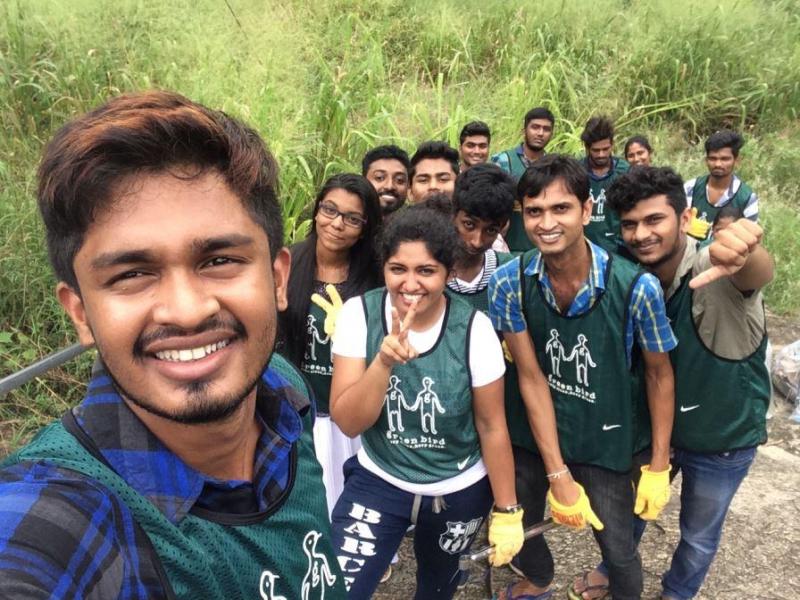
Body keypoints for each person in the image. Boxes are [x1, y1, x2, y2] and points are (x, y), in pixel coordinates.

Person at [0, 91, 346, 599]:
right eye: (133, 273)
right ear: (81, 314)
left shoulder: (282, 390)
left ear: (277, 279)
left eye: (219, 260)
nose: (187, 311)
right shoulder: (68, 515)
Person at [488, 155, 677, 600]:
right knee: (524, 521)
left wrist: (659, 465)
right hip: (534, 434)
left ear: (586, 211)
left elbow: (659, 376)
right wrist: (557, 474)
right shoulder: (509, 281)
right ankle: (540, 577)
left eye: (561, 209)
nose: (546, 223)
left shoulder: (637, 288)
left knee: (618, 548)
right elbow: (530, 377)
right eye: (534, 211)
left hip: (605, 437)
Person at [592, 165, 771, 600]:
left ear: (685, 217)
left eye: (655, 220)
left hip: (721, 436)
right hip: (658, 428)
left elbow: (754, 274)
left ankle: (677, 592)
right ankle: (612, 567)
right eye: (630, 224)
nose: (641, 234)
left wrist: (746, 252)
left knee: (697, 534)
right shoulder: (630, 274)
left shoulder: (716, 263)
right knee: (633, 510)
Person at [329, 206, 523, 599]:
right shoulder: (360, 315)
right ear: (383, 267)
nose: (410, 284)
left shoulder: (474, 329)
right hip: (379, 478)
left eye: (426, 271)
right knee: (337, 589)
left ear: (449, 274)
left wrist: (507, 509)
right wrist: (382, 362)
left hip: (459, 487)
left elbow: (491, 426)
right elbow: (349, 422)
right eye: (398, 268)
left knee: (438, 587)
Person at [279, 173, 382, 516]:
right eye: (330, 210)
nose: (337, 224)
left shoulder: (375, 277)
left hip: (351, 410)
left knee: (353, 497)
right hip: (299, 405)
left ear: (365, 227)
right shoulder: (287, 265)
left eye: (352, 218)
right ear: (317, 211)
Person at [492, 106, 556, 253]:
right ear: (524, 130)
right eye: (535, 127)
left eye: (546, 129)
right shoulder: (502, 161)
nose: (540, 133)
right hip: (507, 250)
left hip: (544, 249)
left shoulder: (553, 166)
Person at [683, 130, 759, 241]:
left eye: (725, 159)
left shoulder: (747, 198)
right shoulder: (690, 188)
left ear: (737, 161)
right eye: (713, 158)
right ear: (706, 160)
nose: (718, 164)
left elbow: (751, 239)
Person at [580, 115, 630, 253]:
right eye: (596, 150)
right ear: (587, 147)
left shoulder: (625, 172)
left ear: (612, 145)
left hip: (617, 249)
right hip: (582, 247)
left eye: (606, 149)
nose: (601, 154)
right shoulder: (577, 172)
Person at [362, 144, 411, 216]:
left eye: (399, 180)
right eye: (380, 178)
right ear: (363, 181)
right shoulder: (349, 221)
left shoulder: (419, 224)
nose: (389, 186)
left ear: (408, 186)